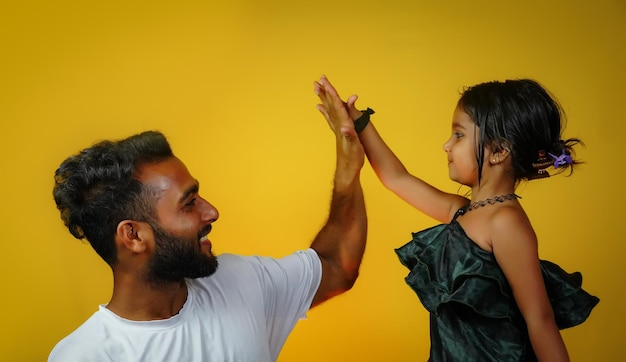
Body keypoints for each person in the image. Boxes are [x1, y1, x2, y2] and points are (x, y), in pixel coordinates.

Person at [48, 87, 367, 362]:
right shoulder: (85, 355)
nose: (212, 212)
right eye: (189, 204)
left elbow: (336, 265)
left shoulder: (240, 281)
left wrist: (348, 171)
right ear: (133, 236)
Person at [314, 75, 599, 361]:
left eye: (459, 135)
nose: (446, 145)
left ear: (499, 152)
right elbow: (396, 178)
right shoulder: (462, 212)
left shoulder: (505, 223)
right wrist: (357, 123)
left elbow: (540, 319)